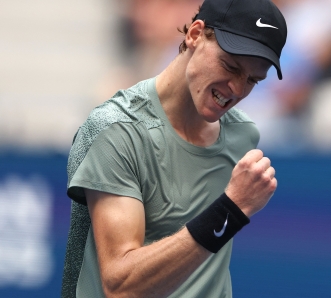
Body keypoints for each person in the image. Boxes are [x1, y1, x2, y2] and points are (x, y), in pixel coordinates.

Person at [61, 0, 287, 297]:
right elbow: (121, 286)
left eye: (253, 80)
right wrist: (231, 209)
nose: (237, 89)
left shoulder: (243, 134)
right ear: (194, 34)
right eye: (230, 66)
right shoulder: (117, 129)